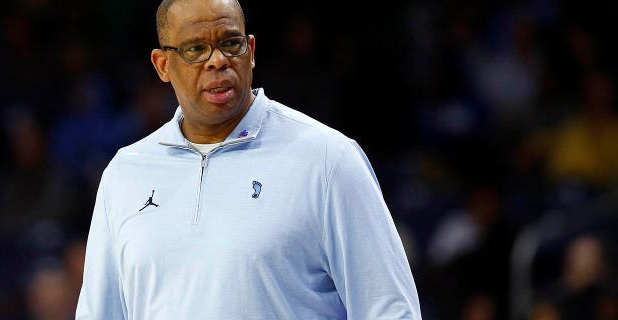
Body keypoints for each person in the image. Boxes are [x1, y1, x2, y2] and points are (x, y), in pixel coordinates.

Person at [75, 0, 422, 318]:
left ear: (251, 51)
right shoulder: (125, 173)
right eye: (197, 49)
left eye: (230, 43)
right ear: (163, 65)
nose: (218, 60)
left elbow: (390, 309)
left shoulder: (328, 158)